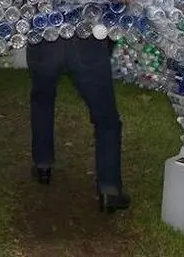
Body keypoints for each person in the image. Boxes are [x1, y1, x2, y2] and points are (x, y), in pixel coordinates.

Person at [26, 34, 130, 214]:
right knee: (106, 119)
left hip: (44, 40)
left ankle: (43, 164)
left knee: (42, 101)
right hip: (85, 43)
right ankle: (109, 188)